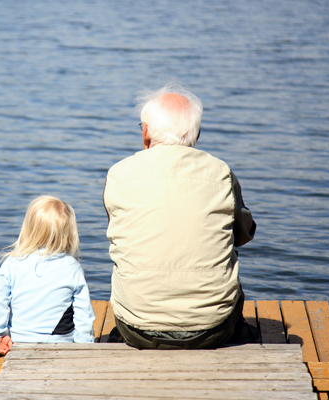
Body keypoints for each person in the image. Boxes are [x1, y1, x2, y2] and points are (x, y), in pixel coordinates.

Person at [103, 84, 259, 350]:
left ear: (145, 132)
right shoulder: (221, 172)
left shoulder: (119, 174)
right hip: (213, 329)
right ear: (196, 133)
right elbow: (243, 235)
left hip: (135, 328)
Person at [0, 195, 95, 357]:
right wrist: (84, 346)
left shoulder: (12, 263)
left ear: (29, 228)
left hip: (18, 340)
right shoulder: (73, 267)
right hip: (61, 343)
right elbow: (83, 315)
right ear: (68, 233)